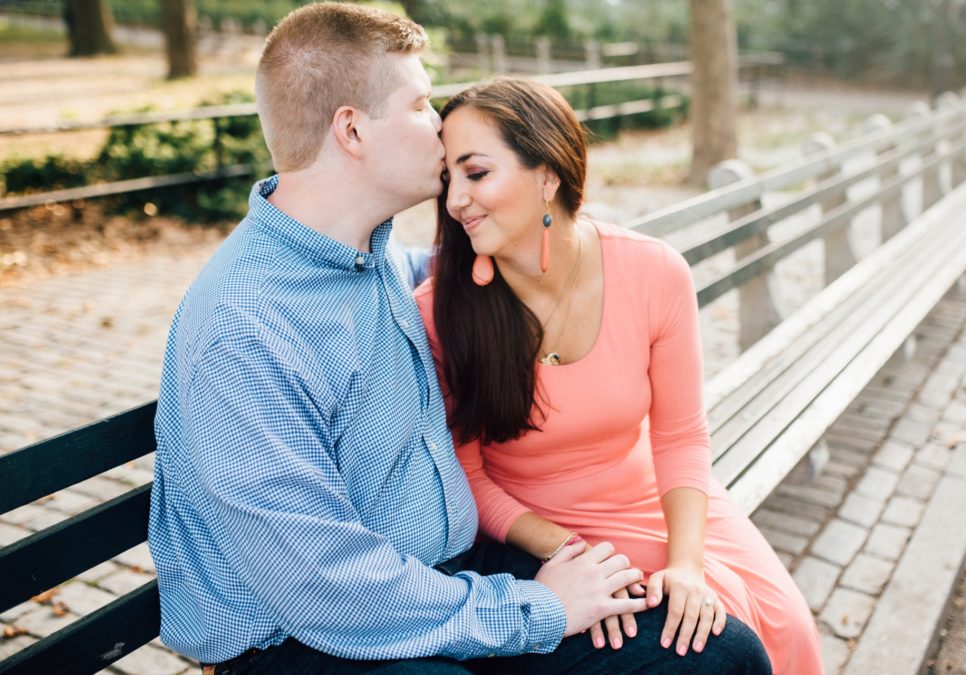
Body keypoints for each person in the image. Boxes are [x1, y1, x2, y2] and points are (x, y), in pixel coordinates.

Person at [148, 3, 770, 674]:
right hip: (303, 635)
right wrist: (534, 608)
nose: (439, 124)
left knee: (722, 654)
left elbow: (505, 262)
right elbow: (320, 582)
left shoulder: (372, 256)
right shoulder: (243, 330)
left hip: (442, 576)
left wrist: (563, 244)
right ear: (352, 130)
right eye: (419, 105)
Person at [415, 78, 824, 674]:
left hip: (653, 495)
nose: (456, 201)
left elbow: (681, 438)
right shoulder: (440, 312)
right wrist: (568, 553)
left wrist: (685, 562)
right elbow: (467, 478)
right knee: (716, 639)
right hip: (539, 528)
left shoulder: (654, 272)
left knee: (781, 621)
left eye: (476, 174)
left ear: (547, 173)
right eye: (447, 179)